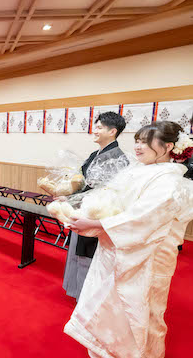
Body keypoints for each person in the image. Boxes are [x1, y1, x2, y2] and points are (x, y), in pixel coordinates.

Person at [64, 121, 193, 358]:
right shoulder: (138, 169)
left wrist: (95, 224)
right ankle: (105, 348)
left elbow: (144, 218)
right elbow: (111, 200)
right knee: (108, 304)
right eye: (137, 140)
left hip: (148, 255)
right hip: (116, 247)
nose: (138, 146)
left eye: (145, 141)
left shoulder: (171, 181)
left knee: (143, 309)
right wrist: (85, 211)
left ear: (168, 147)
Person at [62, 111, 127, 300]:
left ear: (112, 131)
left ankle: (88, 299)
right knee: (78, 251)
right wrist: (68, 195)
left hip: (97, 214)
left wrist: (73, 200)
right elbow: (83, 183)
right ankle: (77, 293)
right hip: (83, 209)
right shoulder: (95, 154)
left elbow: (106, 192)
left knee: (89, 256)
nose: (95, 130)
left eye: (99, 127)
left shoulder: (117, 158)